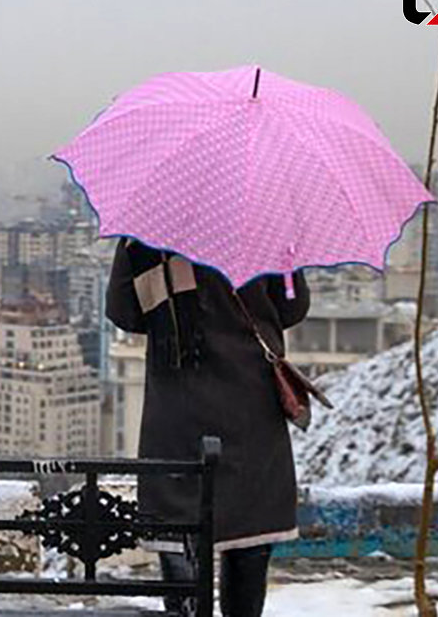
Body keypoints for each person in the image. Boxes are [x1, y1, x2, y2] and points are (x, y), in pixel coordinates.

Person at [105, 238, 310, 617]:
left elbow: (123, 313)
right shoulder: (267, 223)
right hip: (251, 409)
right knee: (250, 537)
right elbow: (293, 307)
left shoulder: (148, 232)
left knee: (180, 534)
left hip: (178, 411)